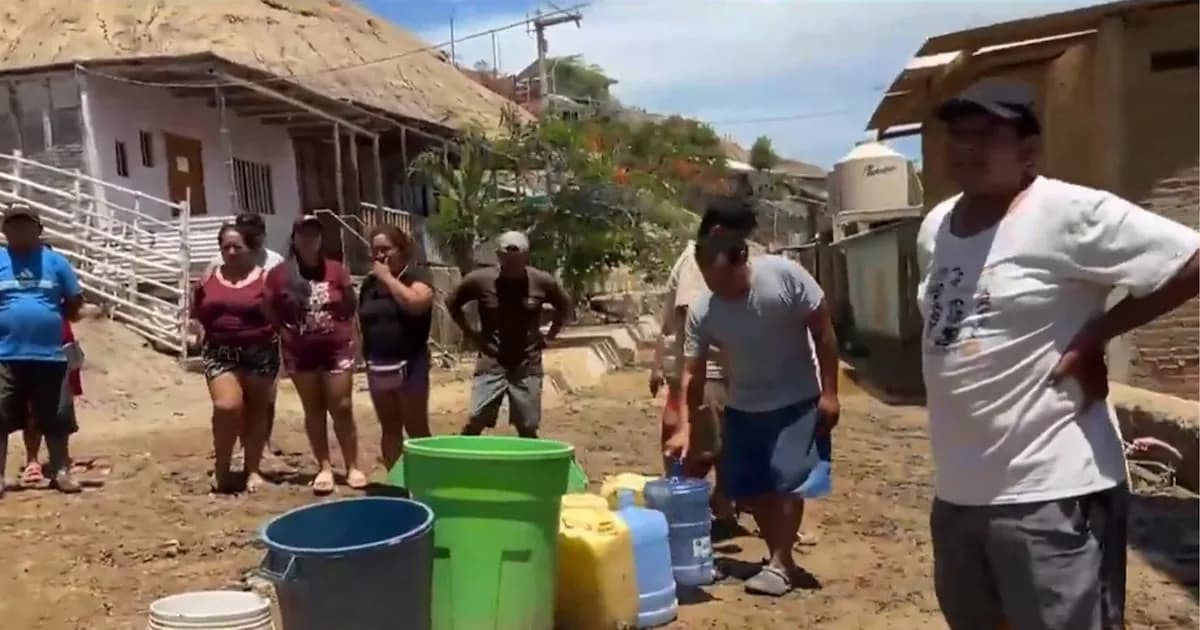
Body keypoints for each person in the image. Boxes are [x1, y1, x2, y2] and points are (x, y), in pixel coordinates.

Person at [918, 78, 1200, 630]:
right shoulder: (937, 226)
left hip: (1053, 493)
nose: (966, 146)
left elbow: (1190, 260)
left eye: (987, 134)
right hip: (958, 495)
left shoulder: (1068, 213)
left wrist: (1097, 334)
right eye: (957, 133)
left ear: (1029, 151)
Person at [672, 231, 840, 597]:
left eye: (724, 278)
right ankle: (780, 559)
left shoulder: (786, 277)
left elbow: (824, 332)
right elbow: (693, 372)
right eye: (709, 279)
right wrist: (685, 427)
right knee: (753, 487)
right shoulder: (705, 309)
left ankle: (781, 561)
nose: (719, 288)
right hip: (744, 404)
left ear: (742, 258)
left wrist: (830, 392)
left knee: (787, 480)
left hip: (796, 399)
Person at [650, 204, 762, 529]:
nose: (743, 248)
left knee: (725, 446)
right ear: (717, 233)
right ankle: (679, 515)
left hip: (718, 369)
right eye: (740, 239)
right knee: (701, 449)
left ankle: (722, 508)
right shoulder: (697, 264)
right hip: (705, 370)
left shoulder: (712, 259)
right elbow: (693, 318)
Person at [265, 215, 363, 494]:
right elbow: (269, 308)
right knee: (314, 409)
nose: (310, 240)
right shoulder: (280, 275)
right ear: (294, 239)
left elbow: (350, 306)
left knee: (342, 406)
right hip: (300, 351)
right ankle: (324, 466)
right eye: (303, 234)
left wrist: (356, 341)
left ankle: (353, 465)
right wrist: (283, 333)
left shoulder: (336, 270)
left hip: (336, 347)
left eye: (315, 234)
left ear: (321, 239)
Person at [447, 230, 570, 438]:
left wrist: (550, 336)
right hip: (492, 358)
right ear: (498, 256)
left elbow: (564, 306)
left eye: (518, 259)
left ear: (526, 257)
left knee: (528, 424)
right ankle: (465, 455)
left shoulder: (541, 281)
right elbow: (452, 303)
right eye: (507, 259)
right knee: (478, 417)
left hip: (527, 361)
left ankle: (530, 464)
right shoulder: (480, 280)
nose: (512, 265)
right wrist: (471, 333)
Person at [0, 204, 85, 496]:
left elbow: (74, 301)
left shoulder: (55, 262)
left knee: (56, 417)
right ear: (4, 230)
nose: (19, 230)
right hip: (4, 355)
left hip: (49, 355)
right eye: (12, 225)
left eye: (25, 225)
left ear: (39, 230)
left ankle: (60, 470)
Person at [190, 223, 277, 494]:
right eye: (225, 247)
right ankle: (222, 467)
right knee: (227, 407)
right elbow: (196, 310)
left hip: (259, 352)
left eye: (236, 246)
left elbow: (281, 314)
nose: (230, 252)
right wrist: (194, 331)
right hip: (220, 352)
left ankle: (253, 469)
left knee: (256, 412)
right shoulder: (209, 277)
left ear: (251, 248)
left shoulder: (266, 279)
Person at [203, 213, 285, 456]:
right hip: (225, 345)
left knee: (265, 400)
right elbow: (203, 292)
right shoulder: (218, 261)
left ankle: (262, 446)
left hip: (263, 342)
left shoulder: (274, 260)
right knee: (232, 402)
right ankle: (239, 446)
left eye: (254, 232)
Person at [358, 224, 435, 470]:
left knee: (415, 427)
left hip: (411, 362)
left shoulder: (418, 277)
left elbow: (416, 304)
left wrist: (388, 279)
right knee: (390, 427)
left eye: (386, 249)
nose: (380, 256)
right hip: (379, 364)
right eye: (375, 250)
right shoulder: (369, 286)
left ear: (401, 251)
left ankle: (427, 478)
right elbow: (362, 321)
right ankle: (396, 482)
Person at [21, 318, 83, 487]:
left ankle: (61, 461)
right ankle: (32, 461)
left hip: (60, 336)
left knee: (61, 406)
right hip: (24, 338)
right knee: (30, 405)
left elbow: (75, 307)